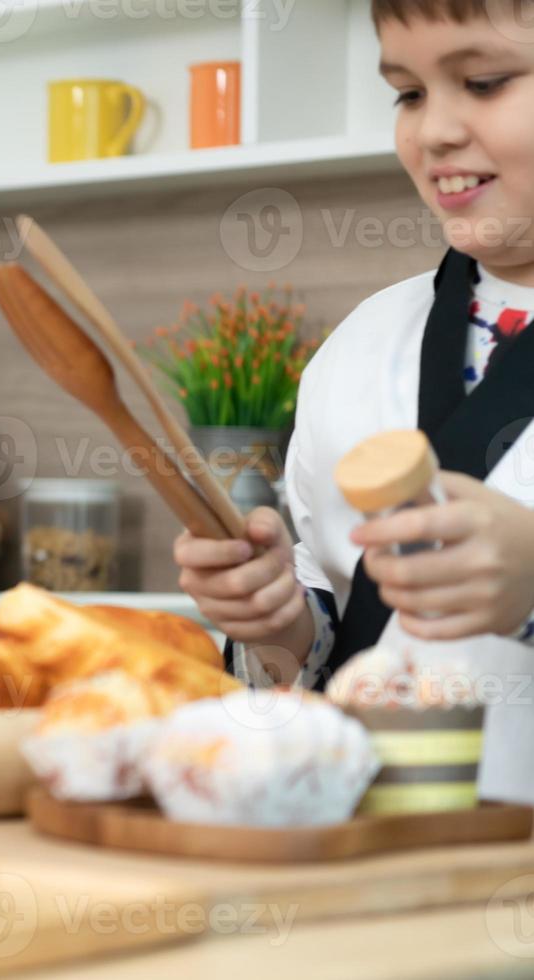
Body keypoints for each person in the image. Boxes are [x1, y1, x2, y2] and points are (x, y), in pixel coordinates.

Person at [176, 0, 534, 802]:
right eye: (408, 93)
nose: (434, 131)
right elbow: (333, 627)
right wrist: (276, 619)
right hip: (366, 860)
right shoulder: (360, 344)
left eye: (484, 81)